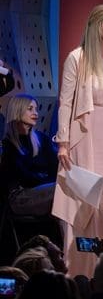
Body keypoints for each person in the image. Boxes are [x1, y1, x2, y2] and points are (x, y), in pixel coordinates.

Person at [52, 3, 103, 278]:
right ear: (97, 26)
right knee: (86, 206)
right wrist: (63, 142)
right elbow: (65, 102)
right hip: (86, 140)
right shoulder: (77, 58)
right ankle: (80, 273)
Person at [0, 94, 57, 230]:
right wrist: (43, 178)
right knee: (60, 191)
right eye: (30, 109)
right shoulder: (8, 144)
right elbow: (21, 177)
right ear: (18, 110)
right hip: (19, 197)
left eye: (36, 109)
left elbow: (54, 167)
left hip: (42, 190)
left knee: (68, 190)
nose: (35, 113)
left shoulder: (41, 139)